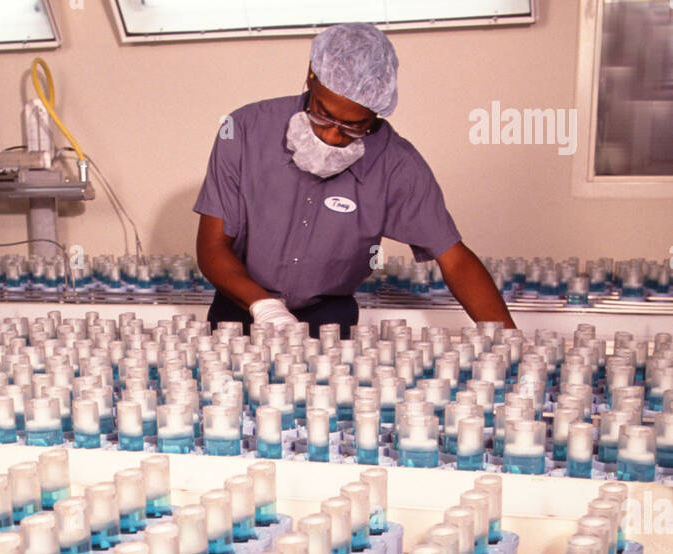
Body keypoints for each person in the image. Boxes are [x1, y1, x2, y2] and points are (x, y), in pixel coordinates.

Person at [194, 22, 515, 339]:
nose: (333, 135)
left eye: (353, 127)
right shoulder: (245, 130)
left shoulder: (396, 164)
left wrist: (512, 342)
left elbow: (456, 260)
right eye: (322, 114)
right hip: (238, 312)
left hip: (329, 323)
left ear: (376, 113)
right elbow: (212, 248)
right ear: (311, 75)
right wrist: (264, 307)